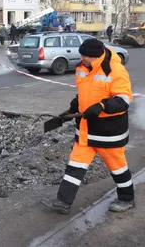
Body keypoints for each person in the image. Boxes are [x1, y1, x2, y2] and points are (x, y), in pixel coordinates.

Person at [41, 38, 134, 214]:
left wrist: (102, 106)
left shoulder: (115, 70)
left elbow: (124, 100)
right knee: (75, 165)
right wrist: (74, 106)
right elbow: (84, 92)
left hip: (108, 132)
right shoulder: (82, 68)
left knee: (118, 167)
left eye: (85, 56)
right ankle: (63, 202)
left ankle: (127, 199)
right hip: (85, 130)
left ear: (95, 56)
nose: (81, 58)